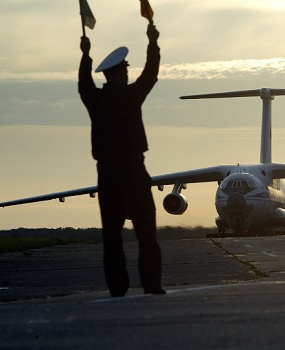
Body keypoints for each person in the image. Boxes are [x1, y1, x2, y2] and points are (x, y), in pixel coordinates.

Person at [78, 24, 165, 296]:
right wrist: (152, 42)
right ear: (118, 73)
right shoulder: (130, 96)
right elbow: (151, 73)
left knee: (112, 236)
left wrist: (85, 55)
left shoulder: (96, 99)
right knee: (146, 233)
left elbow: (83, 84)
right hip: (132, 170)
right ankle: (151, 284)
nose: (128, 73)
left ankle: (118, 287)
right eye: (125, 70)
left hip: (107, 173)